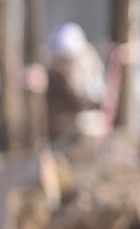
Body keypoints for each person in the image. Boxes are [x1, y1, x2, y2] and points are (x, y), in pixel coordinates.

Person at [45, 21, 107, 149]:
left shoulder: (87, 64)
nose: (64, 64)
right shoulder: (53, 70)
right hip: (61, 124)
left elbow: (94, 94)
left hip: (86, 120)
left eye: (66, 60)